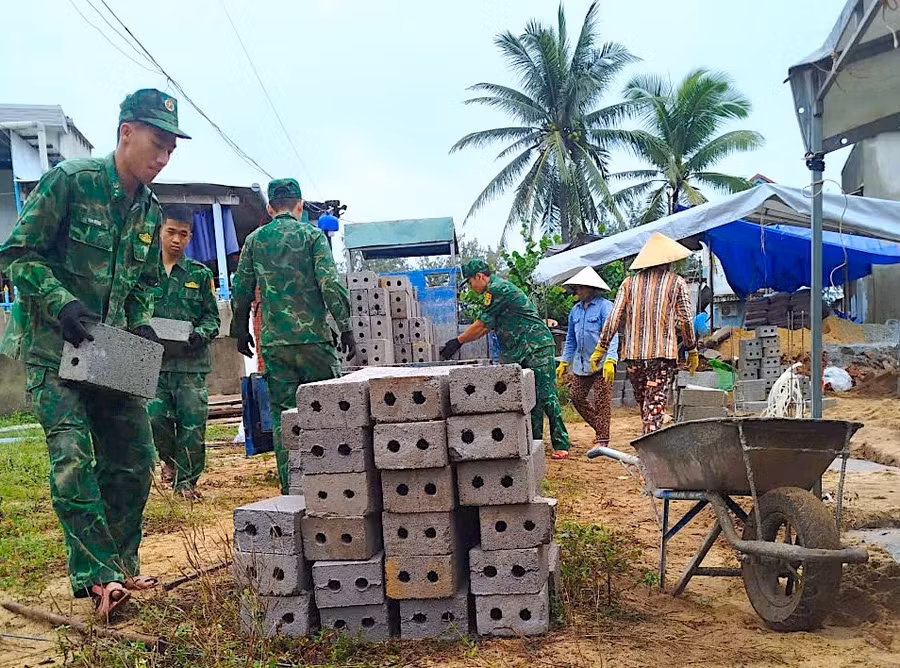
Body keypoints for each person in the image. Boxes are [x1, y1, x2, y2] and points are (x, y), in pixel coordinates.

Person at [0, 89, 189, 617]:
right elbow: (16, 253)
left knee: (134, 454)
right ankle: (96, 576)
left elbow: (145, 283)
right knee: (72, 455)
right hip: (49, 344)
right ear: (126, 132)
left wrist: (144, 326)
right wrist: (61, 302)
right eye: (157, 143)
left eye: (171, 149)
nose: (163, 157)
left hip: (108, 349)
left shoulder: (150, 211)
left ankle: (123, 565)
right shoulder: (71, 183)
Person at [230, 178, 355, 494]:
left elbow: (241, 290)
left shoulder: (255, 241)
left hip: (276, 345)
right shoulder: (312, 236)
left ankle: (294, 491)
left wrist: (239, 329)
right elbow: (331, 285)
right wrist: (346, 327)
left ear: (270, 208)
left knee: (287, 420)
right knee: (331, 412)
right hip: (315, 341)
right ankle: (338, 485)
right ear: (300, 206)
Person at [440, 259, 573, 460]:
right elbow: (485, 327)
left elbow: (481, 325)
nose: (470, 286)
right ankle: (535, 440)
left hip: (536, 346)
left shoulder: (497, 289)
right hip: (521, 349)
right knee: (530, 396)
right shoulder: (492, 293)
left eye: (469, 282)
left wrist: (458, 341)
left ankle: (561, 443)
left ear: (479, 277)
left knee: (547, 394)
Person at [590, 232, 698, 435]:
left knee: (645, 406)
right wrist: (691, 348)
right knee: (654, 408)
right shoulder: (676, 283)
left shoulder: (628, 284)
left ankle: (648, 445)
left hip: (634, 358)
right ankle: (651, 456)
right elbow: (685, 320)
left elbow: (614, 318)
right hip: (661, 357)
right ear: (669, 261)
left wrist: (601, 347)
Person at [147, 204, 220, 500]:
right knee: (155, 419)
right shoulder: (142, 271)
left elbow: (212, 317)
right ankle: (170, 463)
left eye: (184, 234)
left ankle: (186, 484)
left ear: (190, 237)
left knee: (193, 425)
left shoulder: (200, 275)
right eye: (171, 232)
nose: (177, 240)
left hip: (190, 364)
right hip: (152, 363)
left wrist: (199, 334)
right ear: (160, 231)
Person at [557, 267, 619, 447]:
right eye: (576, 288)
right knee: (576, 396)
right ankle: (600, 429)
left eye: (581, 288)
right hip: (582, 363)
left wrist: (610, 359)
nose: (578, 291)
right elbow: (570, 339)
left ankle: (602, 439)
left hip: (602, 362)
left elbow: (612, 334)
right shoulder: (575, 311)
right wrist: (564, 362)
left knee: (602, 401)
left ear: (591, 288)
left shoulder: (604, 307)